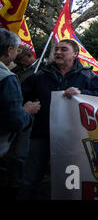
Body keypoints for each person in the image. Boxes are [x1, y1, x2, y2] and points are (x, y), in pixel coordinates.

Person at [18, 39, 98, 199]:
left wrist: (82, 92)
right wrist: (28, 105)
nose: (58, 52)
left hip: (73, 139)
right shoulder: (41, 74)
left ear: (75, 54)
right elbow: (21, 96)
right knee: (30, 179)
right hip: (42, 134)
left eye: (63, 49)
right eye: (56, 49)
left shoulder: (88, 76)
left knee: (69, 181)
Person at [0, 29, 40, 199]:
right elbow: (16, 121)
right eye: (16, 50)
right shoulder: (7, 77)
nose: (17, 56)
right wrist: (26, 111)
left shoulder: (40, 70)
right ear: (9, 50)